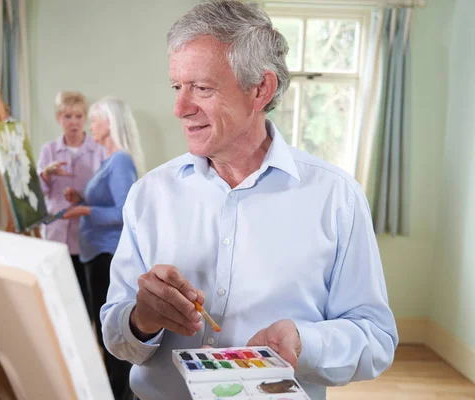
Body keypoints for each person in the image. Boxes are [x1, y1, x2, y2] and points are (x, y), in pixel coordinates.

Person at [100, 2, 399, 400]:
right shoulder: (148, 195)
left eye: (201, 88)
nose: (180, 108)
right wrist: (142, 319)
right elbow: (118, 337)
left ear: (261, 89)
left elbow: (375, 338)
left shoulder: (335, 197)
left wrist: (303, 342)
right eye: (177, 86)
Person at [63, 96, 145, 400]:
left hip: (106, 256)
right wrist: (81, 199)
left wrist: (85, 212)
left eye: (95, 120)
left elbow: (124, 211)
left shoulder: (121, 160)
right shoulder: (108, 159)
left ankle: (119, 393)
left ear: (109, 123)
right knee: (101, 330)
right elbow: (106, 203)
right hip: (94, 253)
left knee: (109, 333)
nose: (89, 126)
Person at [37, 91, 105, 320]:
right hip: (56, 234)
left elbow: (104, 193)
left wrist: (81, 196)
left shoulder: (99, 150)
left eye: (78, 116)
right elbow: (38, 194)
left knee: (84, 299)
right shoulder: (48, 150)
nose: (73, 122)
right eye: (67, 116)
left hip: (86, 236)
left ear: (85, 118)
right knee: (56, 294)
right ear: (59, 118)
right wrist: (46, 174)